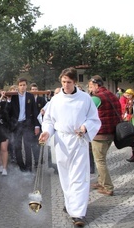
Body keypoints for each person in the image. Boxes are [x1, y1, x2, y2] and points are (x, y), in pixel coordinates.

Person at [39, 67, 101, 228]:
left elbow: (94, 119)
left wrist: (85, 128)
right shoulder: (56, 99)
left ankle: (78, 213)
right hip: (61, 142)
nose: (66, 85)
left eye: (69, 82)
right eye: (63, 82)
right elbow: (49, 120)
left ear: (75, 82)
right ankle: (70, 203)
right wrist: (46, 132)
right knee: (65, 176)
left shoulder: (85, 99)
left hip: (78, 141)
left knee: (79, 177)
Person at [88, 75, 121, 197]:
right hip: (111, 132)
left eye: (91, 86)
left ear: (97, 85)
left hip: (100, 134)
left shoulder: (96, 98)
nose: (90, 89)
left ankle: (108, 187)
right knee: (101, 158)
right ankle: (101, 182)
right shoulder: (112, 95)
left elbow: (86, 113)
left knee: (100, 161)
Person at [7, 78, 39, 172]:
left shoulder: (30, 96)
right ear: (18, 86)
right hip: (16, 125)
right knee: (17, 146)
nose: (22, 87)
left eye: (24, 85)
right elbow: (8, 111)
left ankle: (29, 167)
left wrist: (37, 126)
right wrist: (8, 101)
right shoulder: (13, 96)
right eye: (20, 85)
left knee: (27, 145)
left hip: (27, 124)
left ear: (26, 86)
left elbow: (34, 111)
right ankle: (21, 166)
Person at [30, 83, 47, 168]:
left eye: (35, 89)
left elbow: (46, 110)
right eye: (32, 89)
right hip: (31, 125)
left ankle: (41, 158)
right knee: (33, 144)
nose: (34, 91)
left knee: (41, 142)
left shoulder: (42, 99)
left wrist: (44, 112)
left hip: (40, 125)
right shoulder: (28, 99)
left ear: (38, 90)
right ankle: (36, 160)